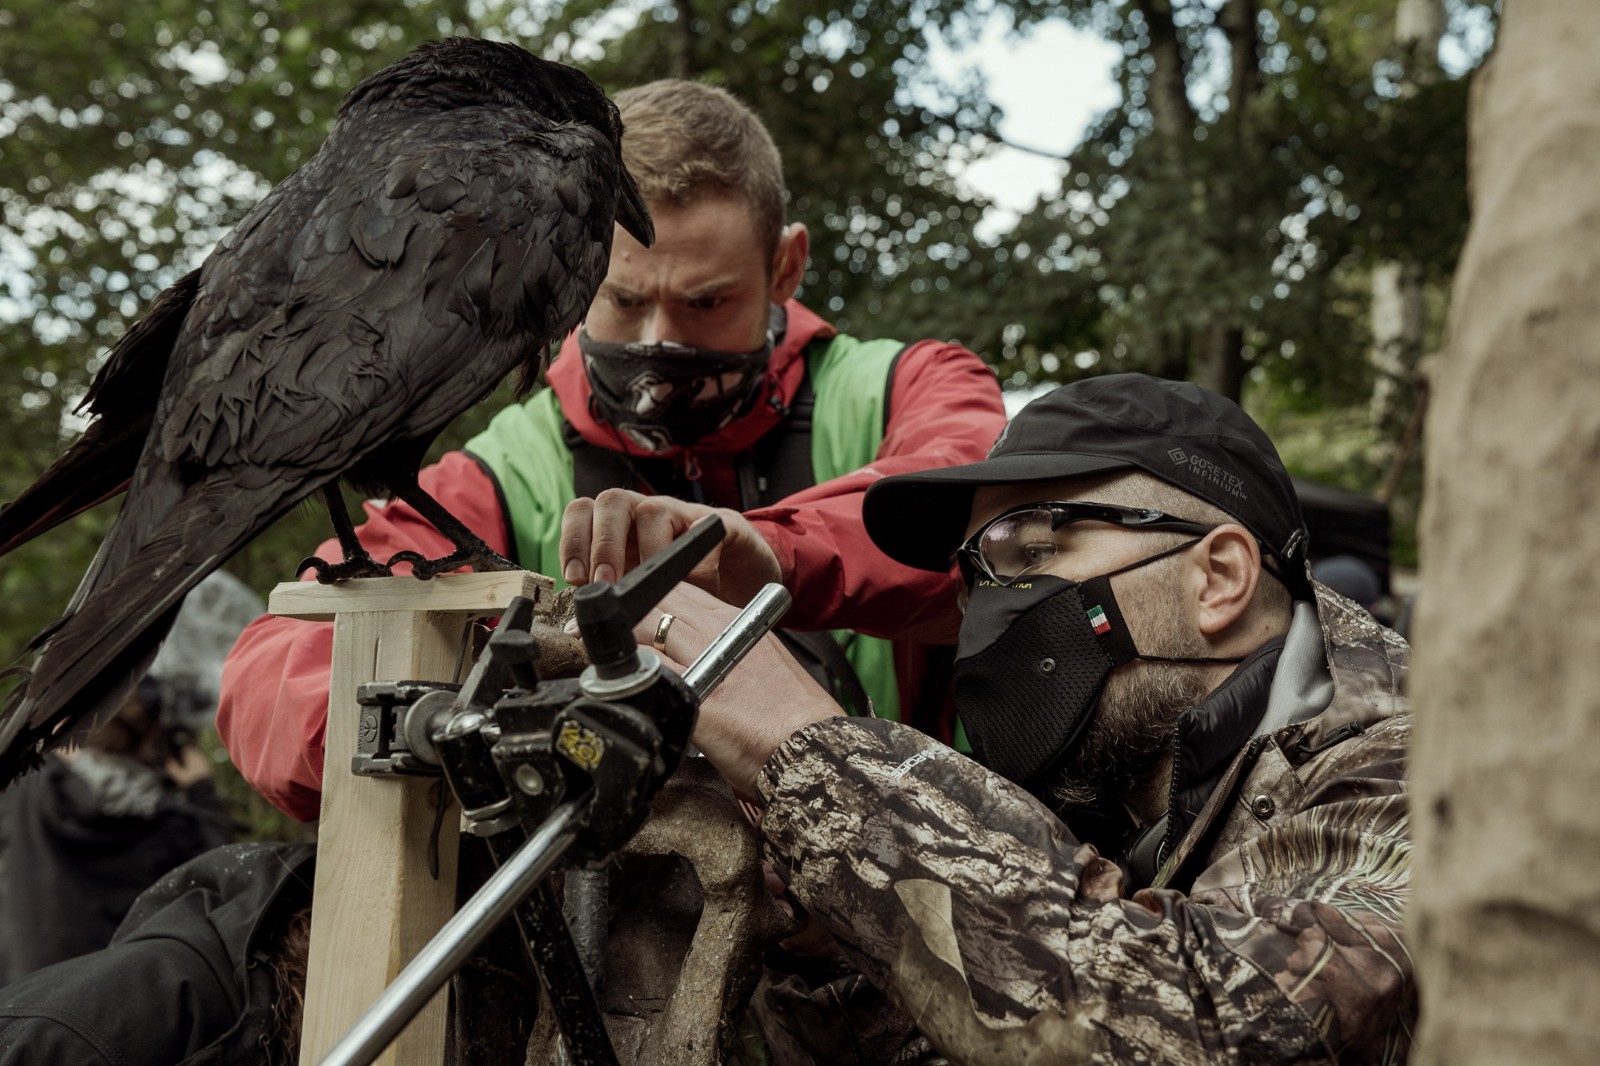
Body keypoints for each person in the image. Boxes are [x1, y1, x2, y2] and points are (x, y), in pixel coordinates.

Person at [216, 79, 1005, 821]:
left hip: (909, 868)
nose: (659, 343)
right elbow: (276, 659)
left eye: (706, 302)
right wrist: (441, 725)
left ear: (785, 267)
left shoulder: (906, 384)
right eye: (624, 299)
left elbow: (984, 531)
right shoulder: (503, 471)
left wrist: (770, 553)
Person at [643, 373, 1414, 1063]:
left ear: (1218, 579)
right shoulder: (1118, 790)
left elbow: (1210, 1026)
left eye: (1029, 547)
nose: (986, 612)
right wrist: (847, 939)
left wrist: (814, 756)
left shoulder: (1421, 773)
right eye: (973, 575)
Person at [0, 676, 234, 985]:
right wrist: (201, 790)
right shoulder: (164, 824)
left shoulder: (23, 784)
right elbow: (220, 869)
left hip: (12, 989)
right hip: (90, 997)